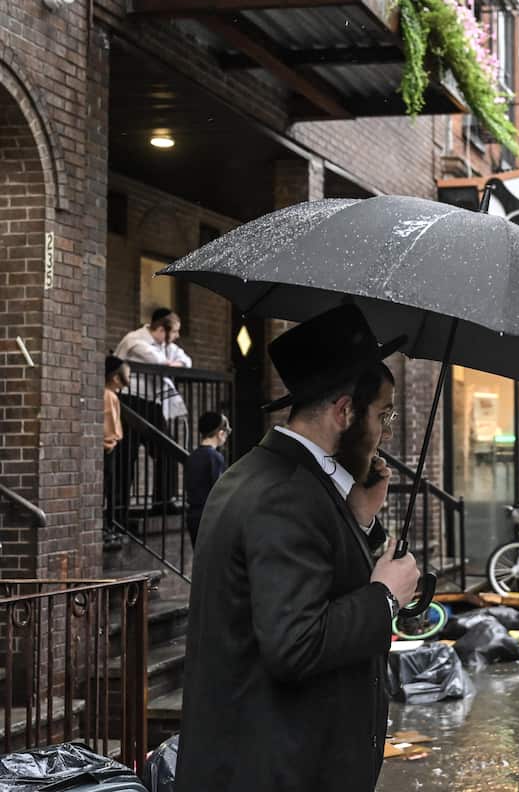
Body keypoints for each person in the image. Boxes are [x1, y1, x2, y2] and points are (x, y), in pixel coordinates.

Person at [177, 303, 420, 792]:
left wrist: (359, 519)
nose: (386, 432)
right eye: (383, 414)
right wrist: (384, 598)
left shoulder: (273, 476)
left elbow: (307, 576)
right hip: (276, 770)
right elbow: (296, 643)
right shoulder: (285, 494)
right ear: (344, 411)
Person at [115, 309, 192, 511]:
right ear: (160, 329)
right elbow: (157, 361)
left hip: (151, 404)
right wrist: (169, 363)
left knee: (167, 449)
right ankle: (119, 508)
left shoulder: (164, 345)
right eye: (174, 332)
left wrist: (173, 362)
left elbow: (186, 361)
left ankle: (163, 501)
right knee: (125, 455)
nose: (176, 337)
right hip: (129, 402)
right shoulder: (135, 340)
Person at [184, 412, 230, 546]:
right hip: (210, 518)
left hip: (193, 515)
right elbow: (219, 491)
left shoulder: (192, 456)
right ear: (220, 433)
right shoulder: (215, 457)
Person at [104, 356, 130, 540]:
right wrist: (111, 441)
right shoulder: (109, 395)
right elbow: (109, 423)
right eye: (126, 373)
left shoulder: (109, 395)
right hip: (107, 447)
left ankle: (109, 525)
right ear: (115, 378)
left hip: (108, 446)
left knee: (110, 487)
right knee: (109, 487)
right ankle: (108, 526)